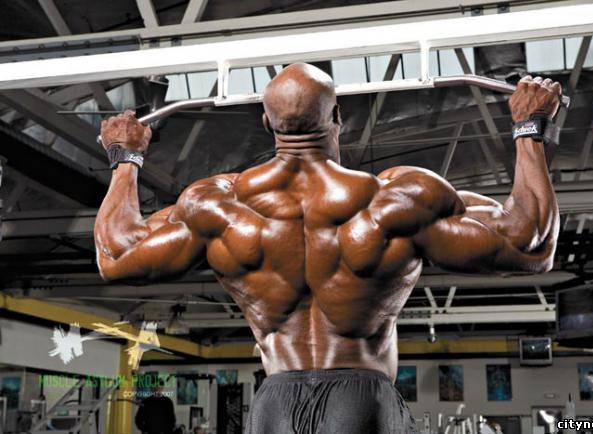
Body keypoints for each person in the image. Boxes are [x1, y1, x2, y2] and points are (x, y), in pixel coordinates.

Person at [95, 63, 561, 434]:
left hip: (276, 403)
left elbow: (116, 255)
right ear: (338, 117)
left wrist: (125, 158)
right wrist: (529, 127)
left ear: (266, 123)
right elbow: (530, 243)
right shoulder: (395, 200)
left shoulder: (220, 206)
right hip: (363, 400)